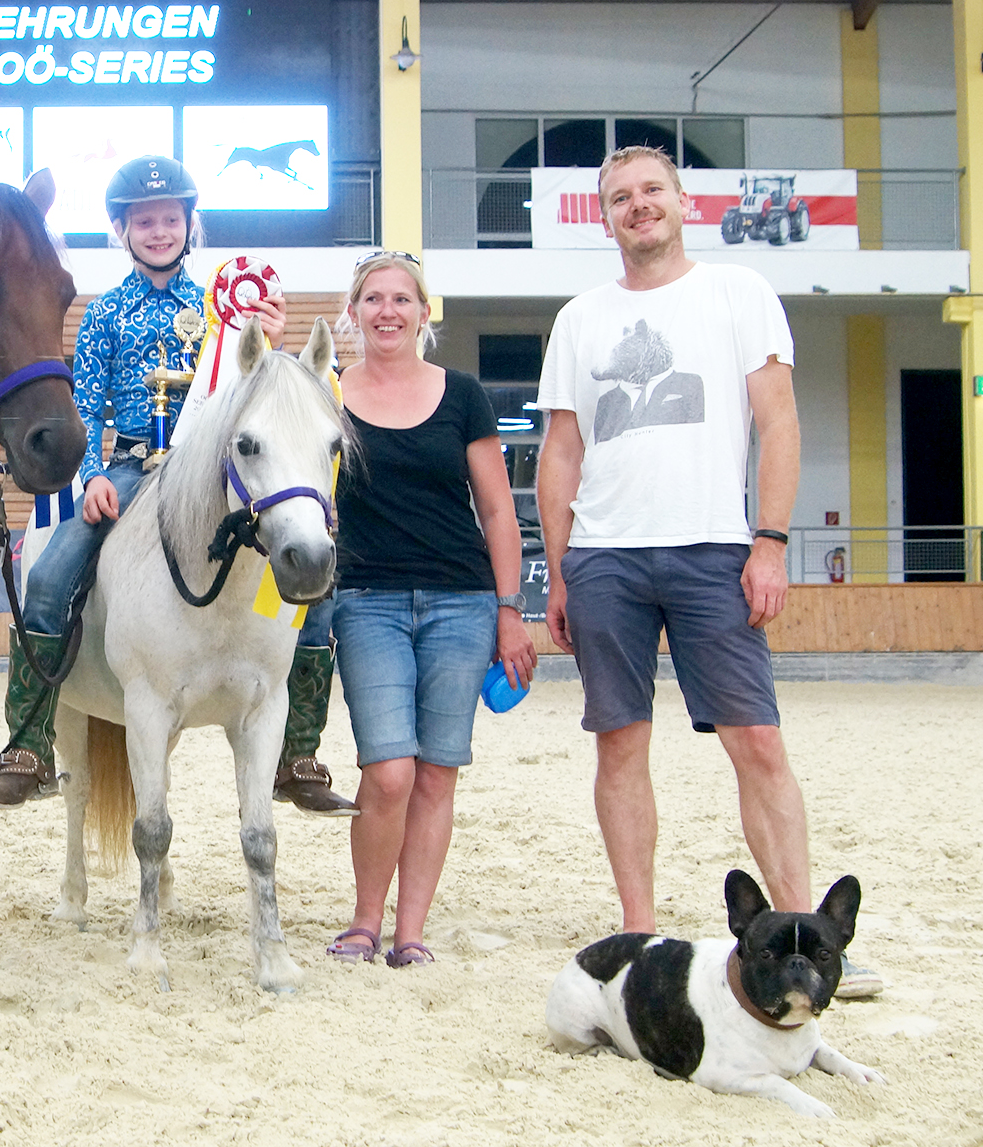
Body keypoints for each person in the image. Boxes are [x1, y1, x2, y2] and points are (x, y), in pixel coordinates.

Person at [534, 145, 882, 998]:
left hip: (715, 549)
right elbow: (562, 449)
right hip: (605, 555)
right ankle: (640, 935)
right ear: (605, 215)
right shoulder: (580, 317)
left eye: (652, 190)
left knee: (756, 742)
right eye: (620, 197)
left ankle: (806, 935)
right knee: (619, 747)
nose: (638, 205)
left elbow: (780, 421)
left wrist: (769, 540)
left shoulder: (739, 293)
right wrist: (560, 568)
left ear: (683, 202)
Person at [0, 155, 356, 815]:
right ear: (122, 229)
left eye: (170, 219)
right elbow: (84, 406)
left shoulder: (226, 310)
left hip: (218, 473)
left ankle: (297, 753)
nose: (158, 231)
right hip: (134, 466)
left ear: (188, 224)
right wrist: (90, 479)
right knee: (50, 578)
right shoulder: (103, 314)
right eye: (143, 221)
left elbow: (261, 398)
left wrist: (277, 338)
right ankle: (28, 748)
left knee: (307, 589)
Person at [323, 251, 537, 967]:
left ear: (423, 312)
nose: (388, 311)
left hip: (463, 601)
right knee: (389, 772)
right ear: (352, 313)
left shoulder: (464, 395)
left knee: (437, 773)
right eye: (373, 299)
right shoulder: (324, 391)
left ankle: (409, 931)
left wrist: (511, 609)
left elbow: (499, 512)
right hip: (365, 600)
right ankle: (363, 920)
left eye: (402, 299)